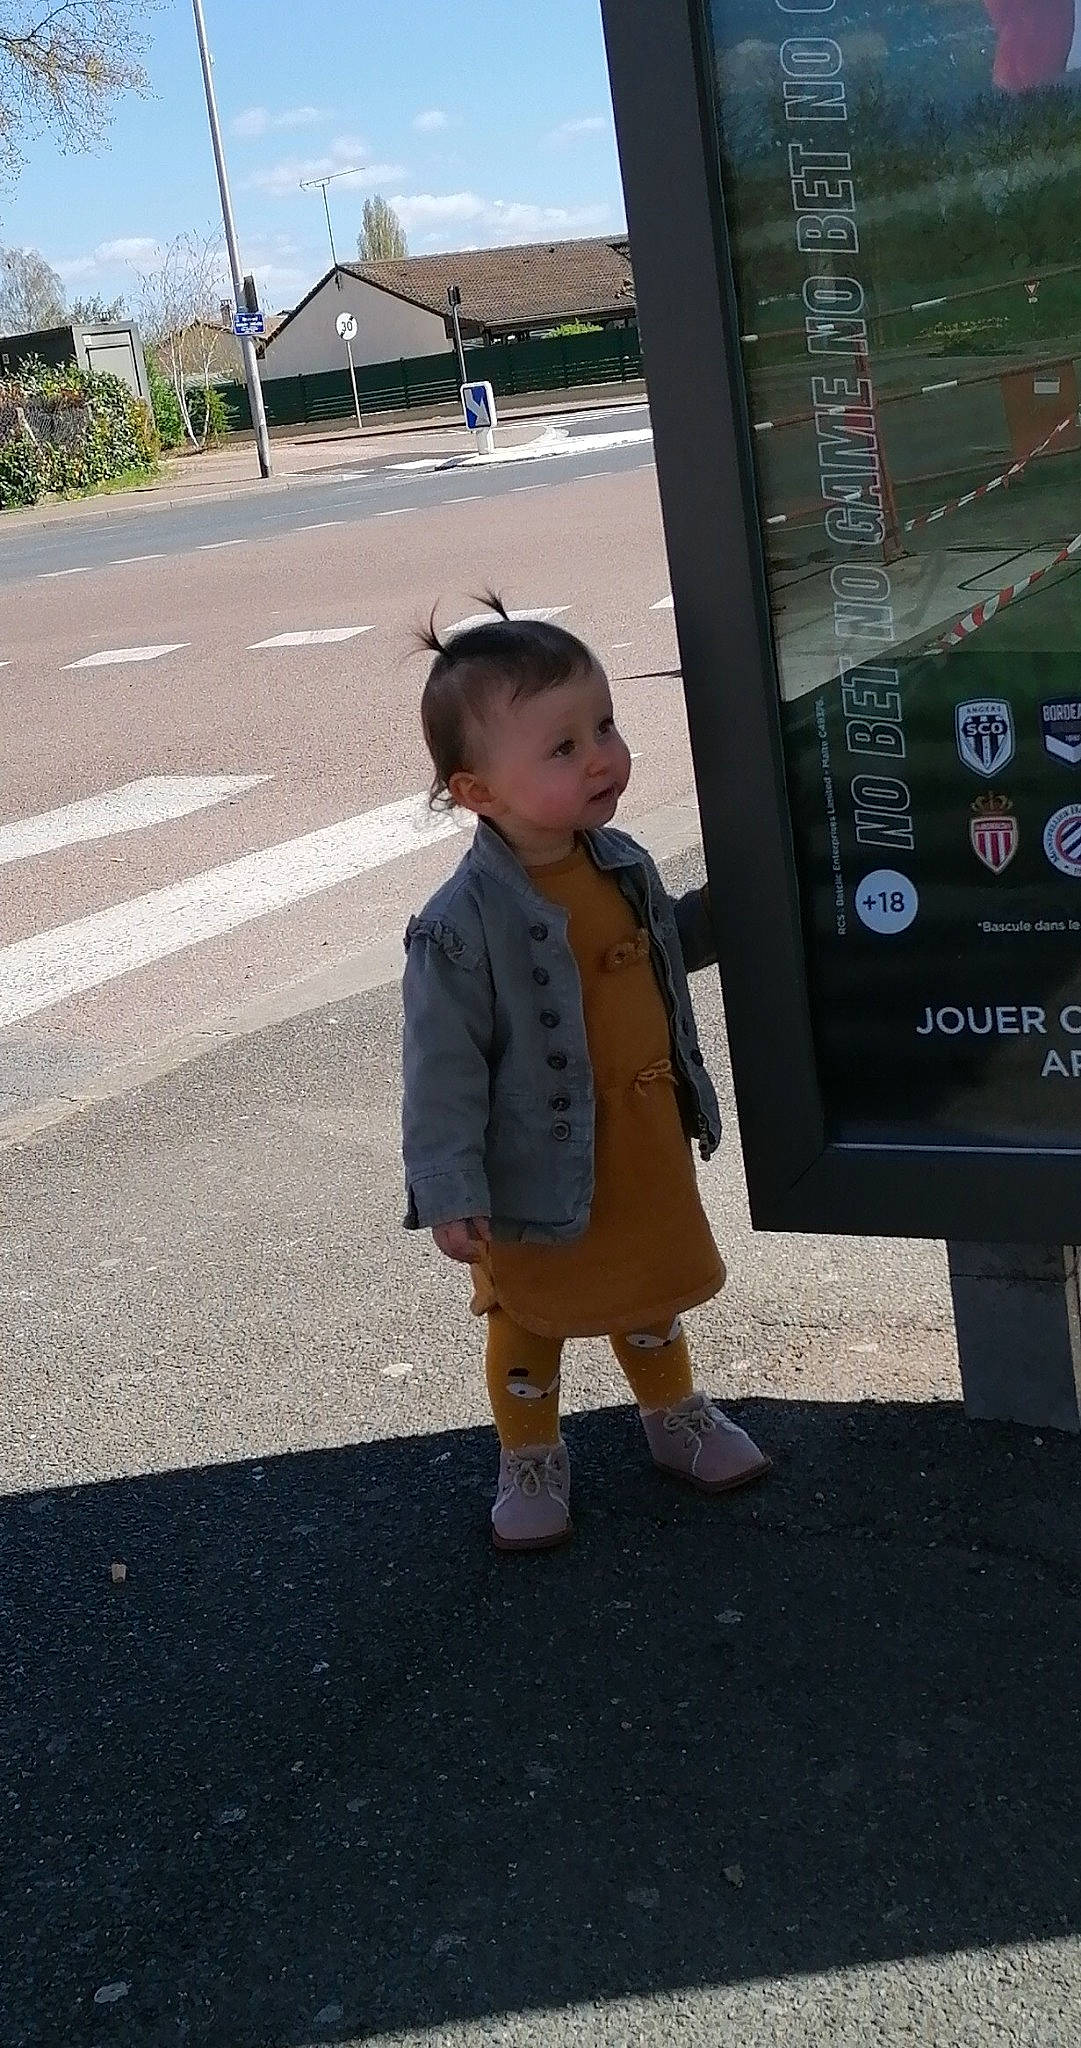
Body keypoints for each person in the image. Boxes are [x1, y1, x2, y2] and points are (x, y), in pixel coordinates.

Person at [401, 598, 770, 1552]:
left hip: (636, 1138)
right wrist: (448, 1186)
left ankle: (672, 1414)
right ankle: (528, 1453)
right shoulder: (459, 922)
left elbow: (643, 951)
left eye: (602, 725)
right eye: (562, 748)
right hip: (532, 1158)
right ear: (478, 792)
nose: (601, 754)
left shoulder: (615, 861)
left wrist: (719, 918)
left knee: (644, 1282)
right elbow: (439, 1067)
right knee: (533, 1309)